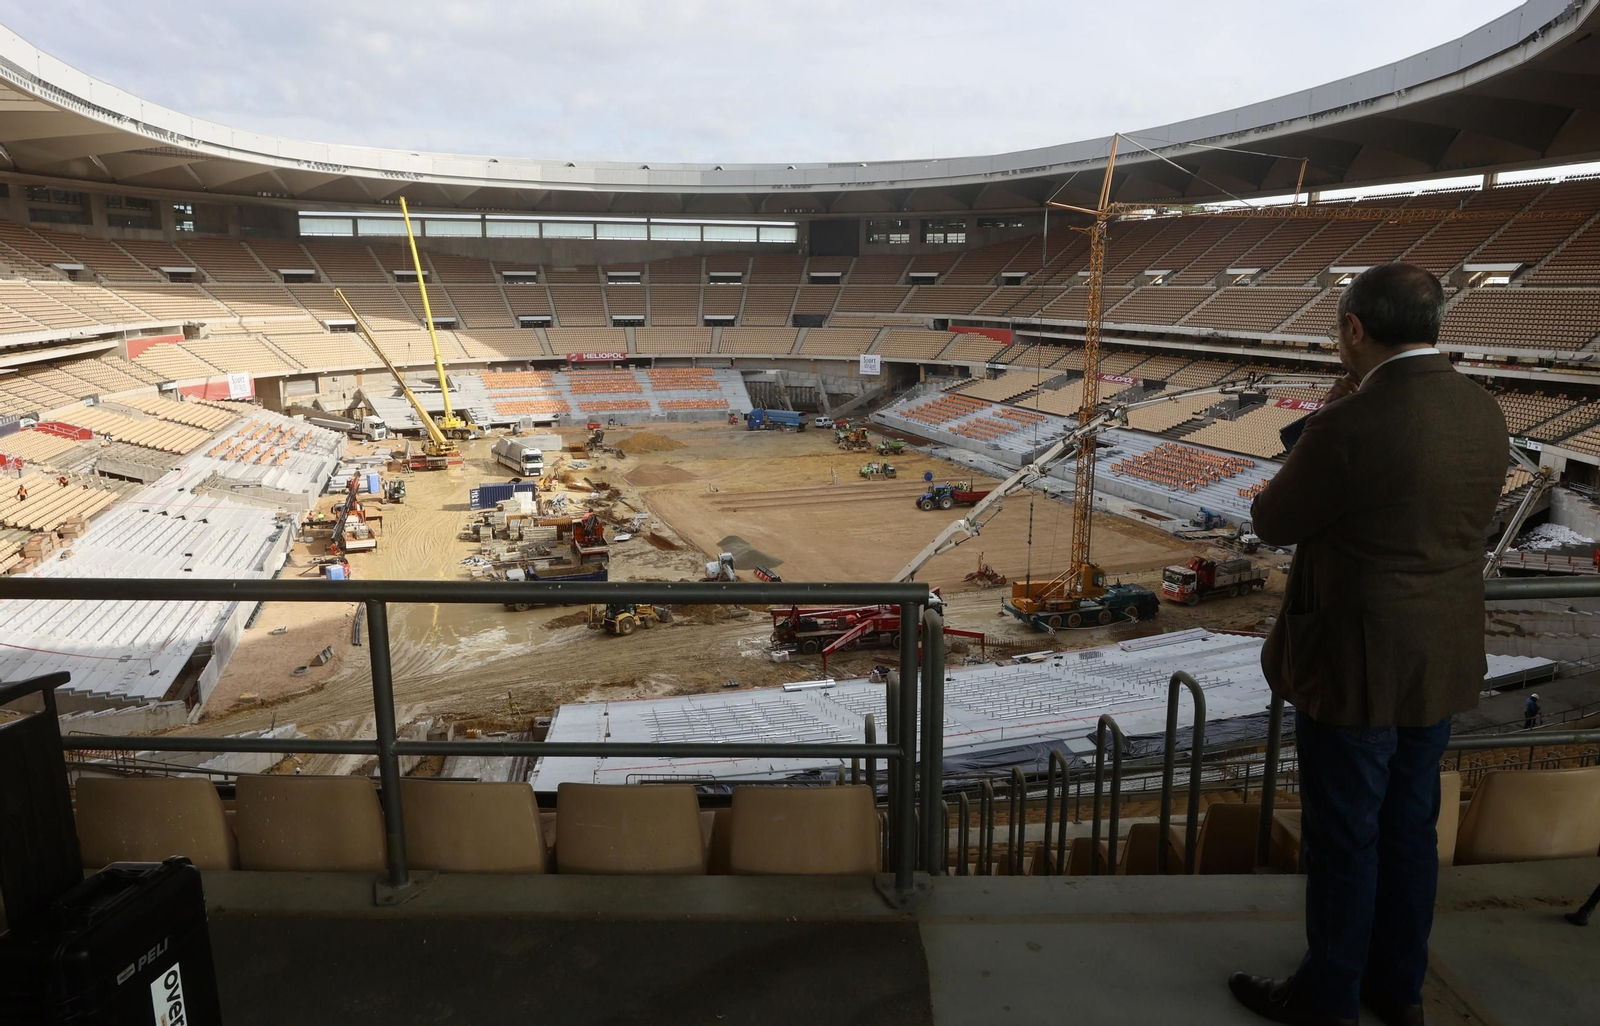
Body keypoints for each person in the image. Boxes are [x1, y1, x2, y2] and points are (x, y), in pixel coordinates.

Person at [1230, 263, 1508, 1026]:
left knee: (1345, 836)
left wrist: (1327, 410)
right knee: (1411, 829)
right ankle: (1398, 990)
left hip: (1353, 662)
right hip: (1440, 652)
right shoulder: (1485, 411)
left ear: (1354, 329)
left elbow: (1273, 521)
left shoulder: (1350, 422)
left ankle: (1327, 997)